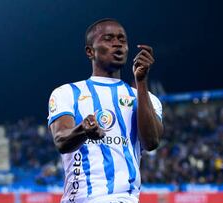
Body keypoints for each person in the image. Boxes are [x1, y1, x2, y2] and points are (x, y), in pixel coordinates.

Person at [48, 18, 163, 203]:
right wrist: (83, 130)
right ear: (89, 51)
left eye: (122, 39)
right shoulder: (67, 93)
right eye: (108, 39)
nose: (117, 43)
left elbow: (151, 142)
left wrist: (141, 81)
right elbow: (61, 141)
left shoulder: (147, 99)